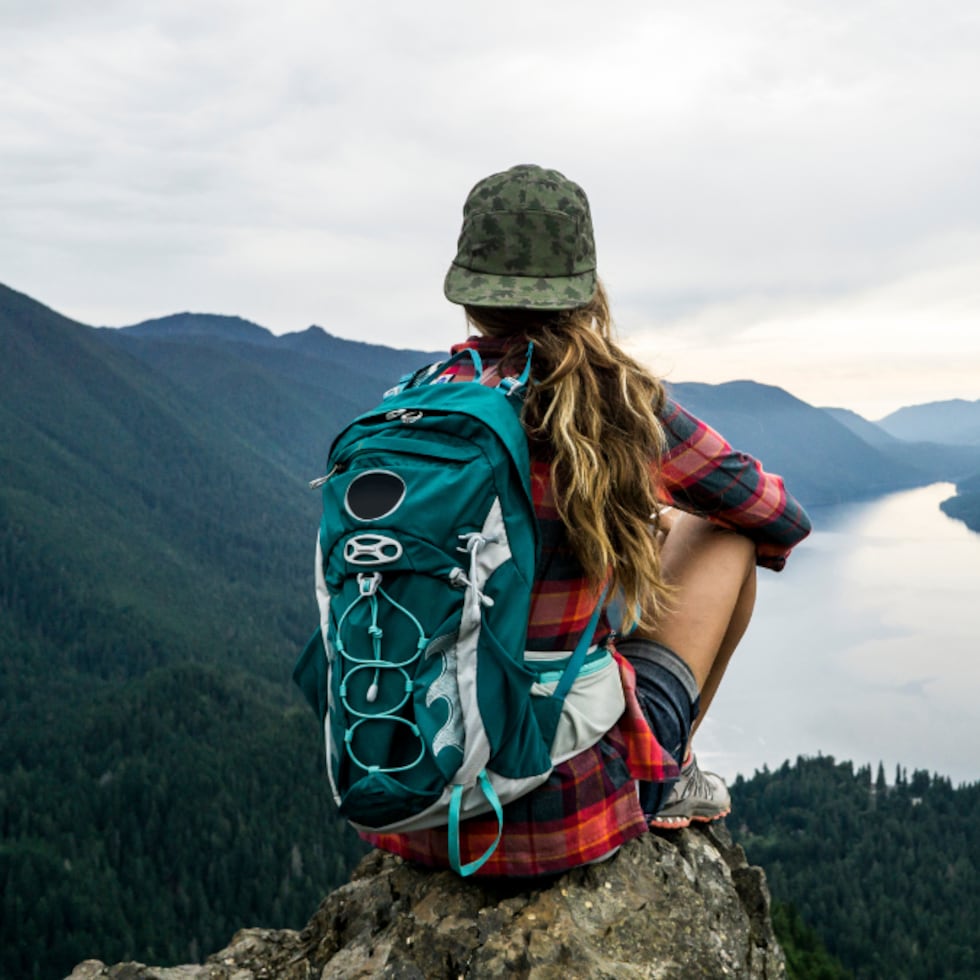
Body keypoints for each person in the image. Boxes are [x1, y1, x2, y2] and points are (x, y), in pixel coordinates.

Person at [361, 164, 811, 875]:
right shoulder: (618, 402)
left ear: (470, 295)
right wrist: (653, 507)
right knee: (727, 535)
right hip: (565, 809)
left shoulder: (413, 406)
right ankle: (670, 771)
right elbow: (777, 516)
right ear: (583, 286)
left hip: (413, 804)